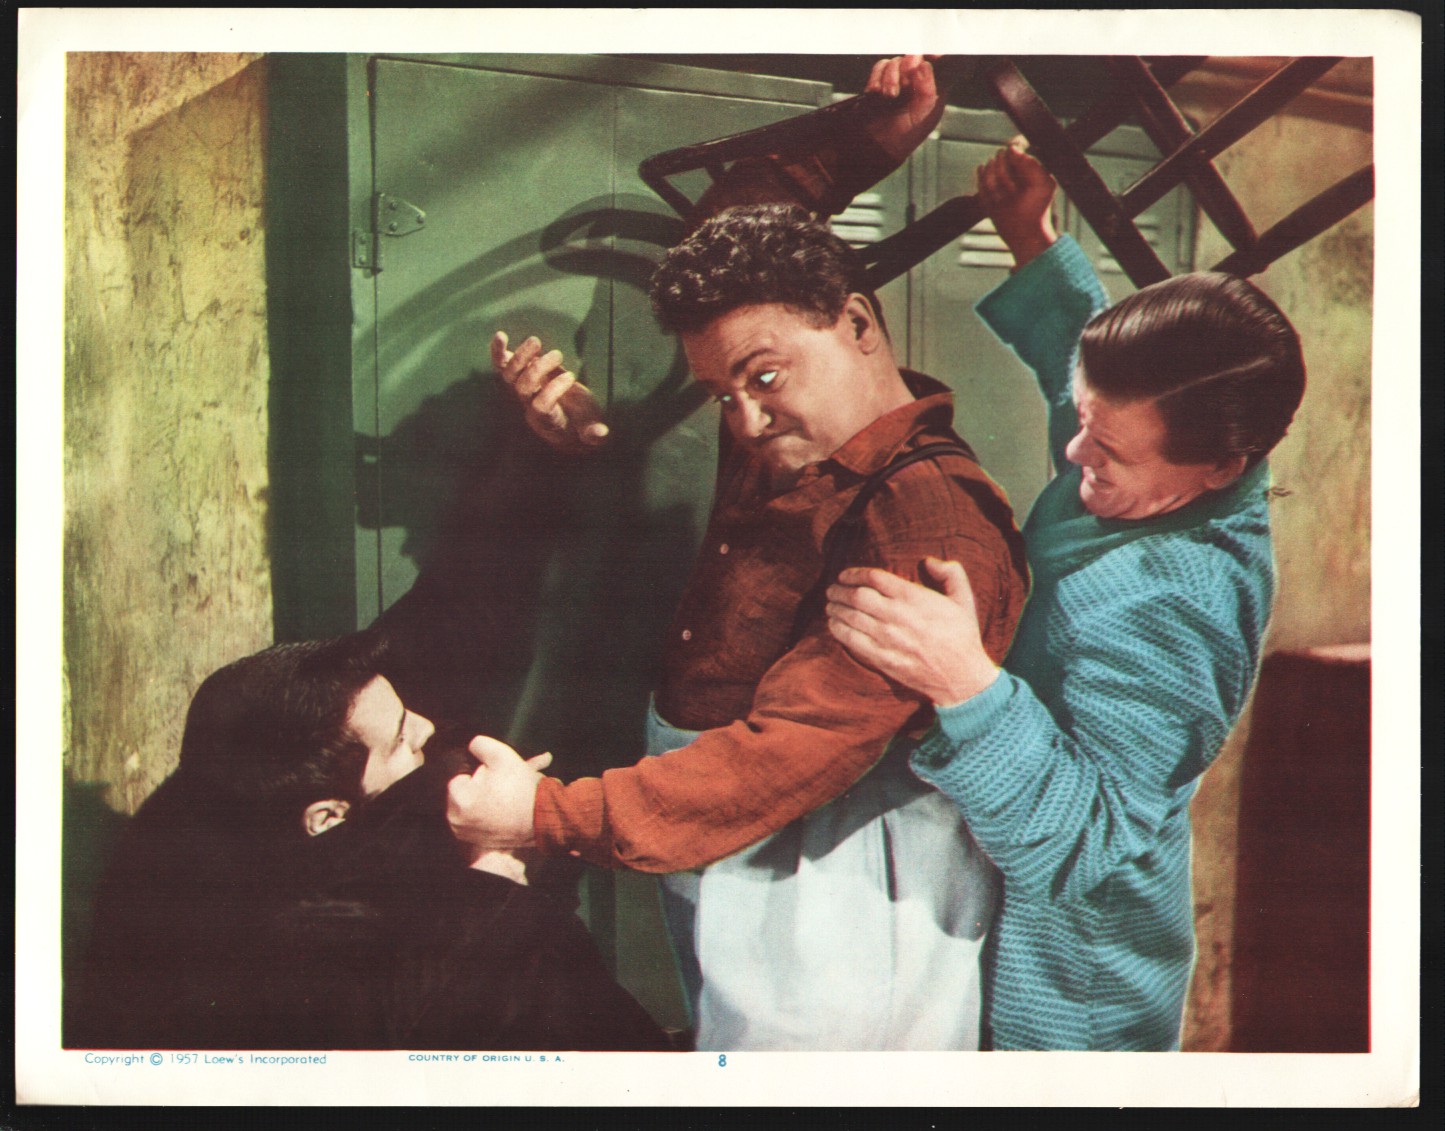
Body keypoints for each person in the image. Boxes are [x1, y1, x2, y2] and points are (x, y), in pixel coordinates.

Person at [446, 82, 1032, 1046]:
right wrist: (869, 143)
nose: (748, 420)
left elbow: (790, 750)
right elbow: (735, 224)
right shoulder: (795, 431)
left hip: (830, 866)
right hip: (719, 820)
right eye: (723, 393)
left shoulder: (924, 520)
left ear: (857, 324)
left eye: (763, 378)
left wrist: (545, 815)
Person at [824, 138, 1308, 1051]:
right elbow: (1079, 373)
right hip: (997, 887)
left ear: (1219, 467)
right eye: (1085, 424)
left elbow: (1087, 841)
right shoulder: (1149, 449)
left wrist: (964, 680)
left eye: (1105, 452)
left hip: (1070, 987)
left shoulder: (1180, 606)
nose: (1074, 453)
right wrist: (1031, 237)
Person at [68, 633, 669, 1052]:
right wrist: (499, 876)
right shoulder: (300, 952)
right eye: (401, 741)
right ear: (327, 817)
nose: (426, 730)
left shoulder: (227, 795)